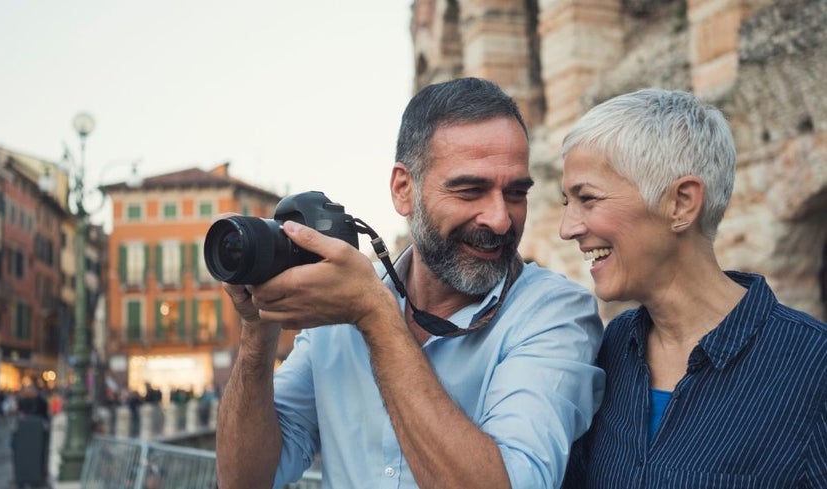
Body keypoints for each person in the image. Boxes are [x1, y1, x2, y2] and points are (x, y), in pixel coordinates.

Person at [216, 77, 605, 488]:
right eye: (470, 190)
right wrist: (258, 327)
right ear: (404, 190)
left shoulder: (556, 314)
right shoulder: (337, 311)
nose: (500, 219)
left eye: (515, 193)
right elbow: (246, 480)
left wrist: (374, 316)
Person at [558, 88, 827, 487]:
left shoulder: (812, 367)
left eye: (588, 199)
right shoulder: (610, 349)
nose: (568, 228)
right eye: (566, 201)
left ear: (682, 203)